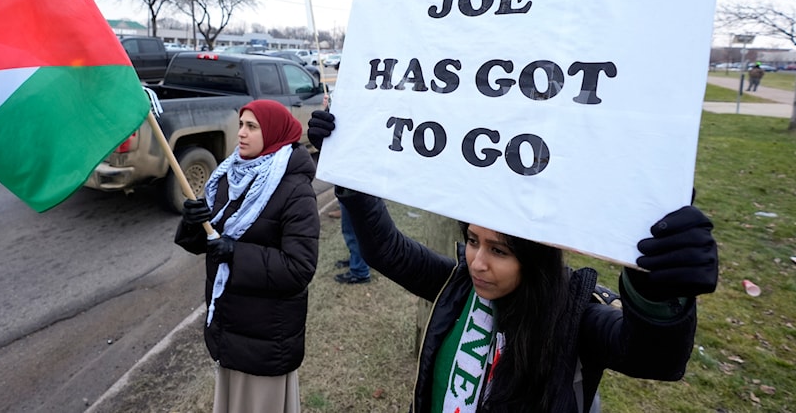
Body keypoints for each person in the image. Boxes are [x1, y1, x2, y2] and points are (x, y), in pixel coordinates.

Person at [307, 110, 718, 412]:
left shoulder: (573, 317)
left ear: (535, 259)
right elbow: (387, 251)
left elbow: (655, 359)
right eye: (472, 240)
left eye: (499, 250)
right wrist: (350, 173)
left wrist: (659, 292)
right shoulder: (461, 288)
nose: (477, 263)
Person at [175, 100, 320, 413]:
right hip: (232, 325)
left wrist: (236, 254)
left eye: (252, 127)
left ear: (273, 133)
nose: (241, 133)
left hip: (267, 334)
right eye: (241, 124)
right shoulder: (231, 174)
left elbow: (299, 268)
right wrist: (193, 222)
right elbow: (208, 242)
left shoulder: (295, 189)